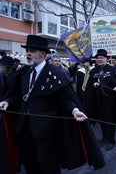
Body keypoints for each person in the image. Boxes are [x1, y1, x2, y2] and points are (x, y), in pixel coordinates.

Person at [0, 35, 105, 173]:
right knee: (30, 166)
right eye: (27, 51)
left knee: (49, 167)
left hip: (47, 132)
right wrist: (7, 101)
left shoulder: (55, 74)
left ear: (43, 54)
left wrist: (74, 110)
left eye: (32, 51)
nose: (28, 54)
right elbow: (17, 95)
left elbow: (65, 99)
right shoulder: (23, 72)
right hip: (24, 130)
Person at [84, 49, 116, 151]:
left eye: (102, 58)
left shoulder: (112, 70)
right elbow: (88, 86)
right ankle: (105, 137)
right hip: (97, 100)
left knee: (109, 119)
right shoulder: (93, 71)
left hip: (110, 100)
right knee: (101, 119)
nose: (100, 60)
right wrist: (93, 85)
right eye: (98, 58)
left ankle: (111, 140)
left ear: (106, 59)